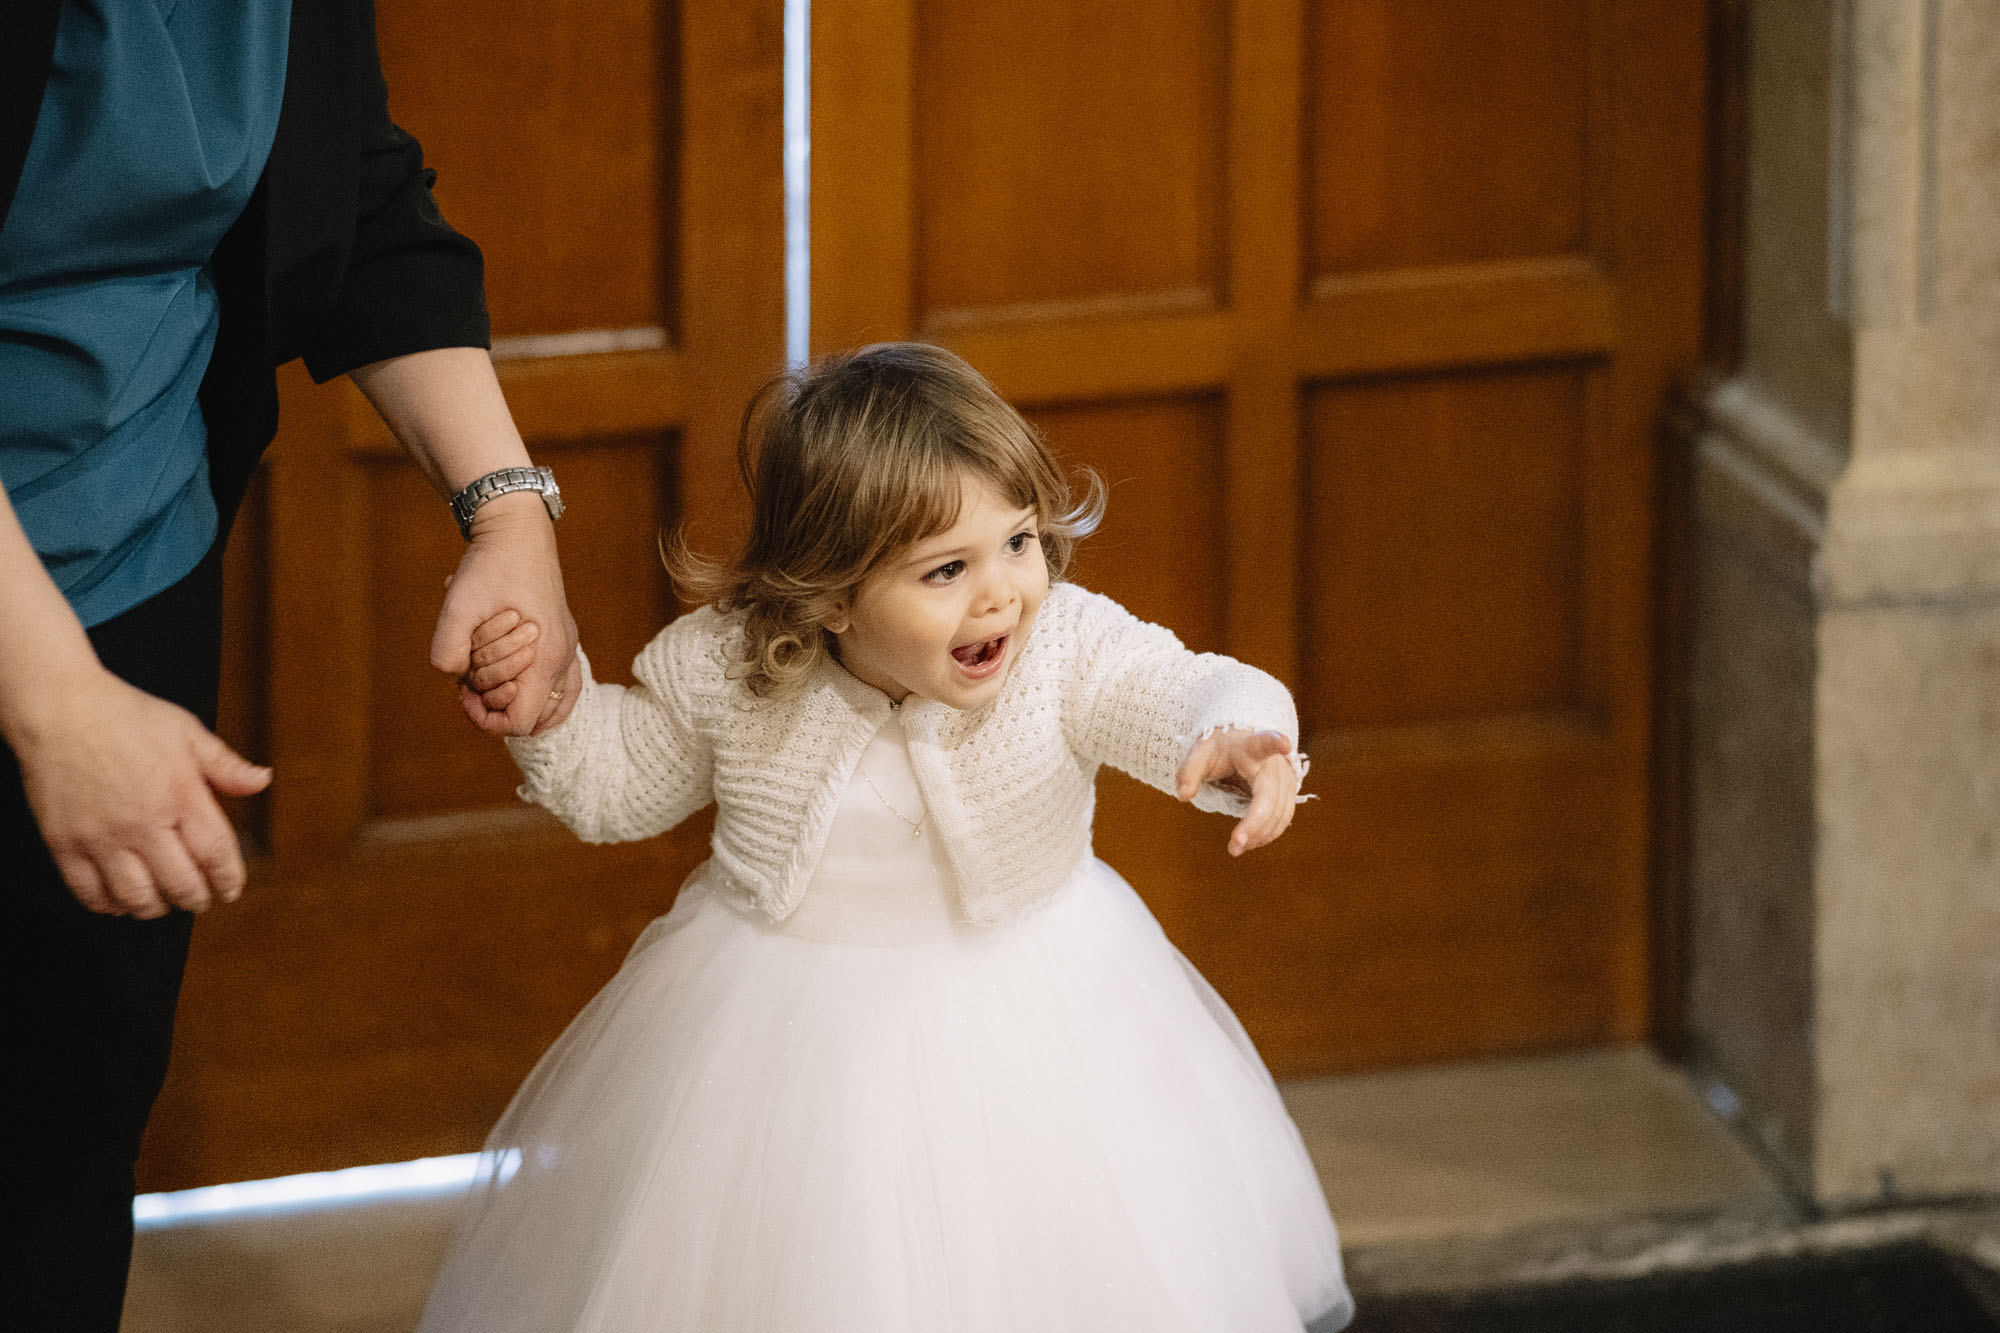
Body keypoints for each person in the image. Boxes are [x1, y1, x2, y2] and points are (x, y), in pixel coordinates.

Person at [418, 343, 1353, 1332]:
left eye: (1018, 541)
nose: (1000, 594)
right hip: (784, 1044)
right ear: (830, 592)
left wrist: (1235, 731)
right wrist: (550, 713)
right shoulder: (735, 668)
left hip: (1041, 1024)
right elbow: (618, 784)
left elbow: (1167, 685)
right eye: (946, 569)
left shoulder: (1063, 649)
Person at [0, 1, 576, 1326]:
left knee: (58, 1145)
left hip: (135, 568)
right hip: (48, 654)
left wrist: (507, 512)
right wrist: (52, 699)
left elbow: (359, 190)